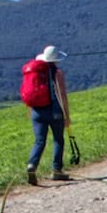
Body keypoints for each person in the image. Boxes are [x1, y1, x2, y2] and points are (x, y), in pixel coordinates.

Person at [24, 45, 72, 184]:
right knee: (58, 139)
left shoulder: (36, 73)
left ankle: (32, 165)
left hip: (36, 111)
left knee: (39, 140)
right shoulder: (57, 73)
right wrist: (66, 116)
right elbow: (62, 95)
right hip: (54, 111)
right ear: (56, 59)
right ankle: (57, 170)